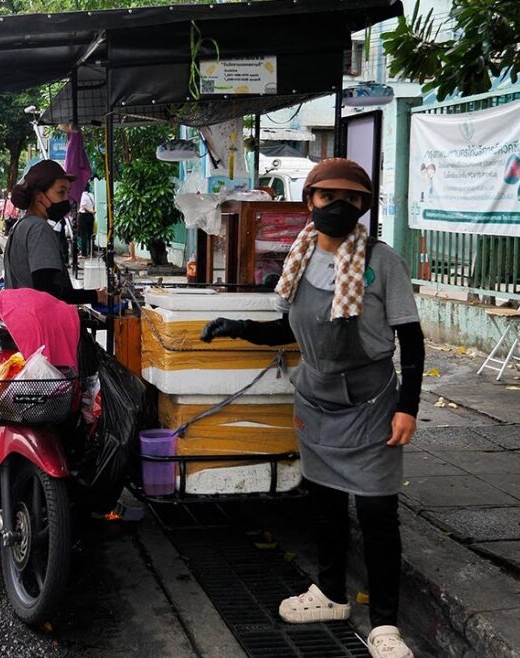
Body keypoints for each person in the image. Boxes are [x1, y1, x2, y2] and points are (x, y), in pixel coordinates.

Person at [200, 158, 424, 658]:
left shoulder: (382, 261)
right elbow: (290, 330)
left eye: (351, 200)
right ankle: (330, 594)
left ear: (363, 207)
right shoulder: (298, 258)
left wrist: (407, 407)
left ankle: (385, 624)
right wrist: (237, 327)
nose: (339, 207)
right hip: (316, 399)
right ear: (310, 201)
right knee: (324, 503)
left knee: (376, 512)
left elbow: (411, 338)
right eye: (328, 197)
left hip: (370, 403)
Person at [3, 160, 106, 305]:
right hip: (40, 320)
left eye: (67, 192)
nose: (66, 199)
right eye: (60, 192)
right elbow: (48, 291)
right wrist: (96, 296)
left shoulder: (21, 225)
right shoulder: (38, 229)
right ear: (39, 195)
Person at [77, 187, 96, 258]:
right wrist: (92, 212)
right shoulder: (91, 195)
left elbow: (83, 206)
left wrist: (90, 211)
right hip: (91, 216)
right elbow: (93, 206)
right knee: (90, 235)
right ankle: (91, 253)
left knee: (83, 236)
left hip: (83, 216)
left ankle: (84, 254)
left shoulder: (83, 195)